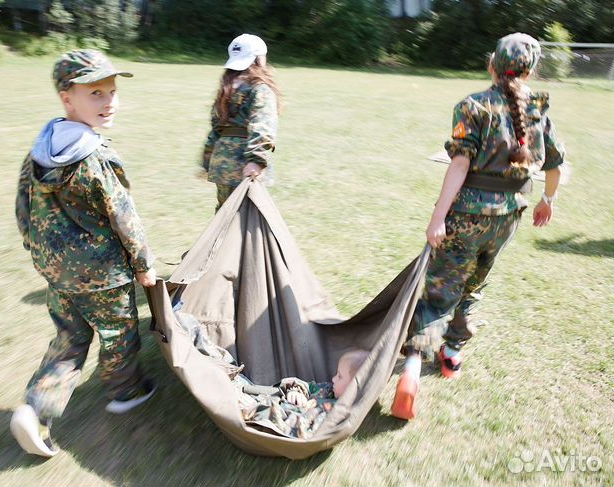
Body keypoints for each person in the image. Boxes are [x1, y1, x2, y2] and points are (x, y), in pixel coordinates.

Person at [391, 33, 566, 420]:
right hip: (508, 217)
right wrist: (548, 200)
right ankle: (452, 355)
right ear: (531, 70)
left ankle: (413, 369)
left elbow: (459, 165)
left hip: (466, 216)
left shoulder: (472, 106)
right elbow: (554, 165)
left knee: (440, 289)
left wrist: (438, 218)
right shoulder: (538, 108)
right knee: (474, 284)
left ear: (492, 66)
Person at [11, 49, 158, 457]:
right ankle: (126, 390)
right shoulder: (95, 156)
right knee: (118, 334)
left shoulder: (39, 151)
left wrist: (37, 253)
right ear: (67, 98)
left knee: (71, 337)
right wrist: (144, 265)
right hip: (104, 274)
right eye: (95, 93)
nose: (108, 101)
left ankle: (35, 408)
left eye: (111, 91)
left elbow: (23, 209)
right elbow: (124, 216)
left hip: (56, 272)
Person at [201, 33, 280, 211]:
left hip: (221, 162)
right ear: (259, 59)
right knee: (248, 220)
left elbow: (216, 128)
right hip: (245, 163)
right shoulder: (260, 89)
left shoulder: (226, 88)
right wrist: (256, 160)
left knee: (225, 216)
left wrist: (208, 159)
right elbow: (263, 125)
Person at [238, 349, 369, 438]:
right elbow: (308, 386)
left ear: (353, 386)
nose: (333, 378)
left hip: (280, 417)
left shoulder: (335, 413)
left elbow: (302, 431)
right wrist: (298, 392)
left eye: (340, 376)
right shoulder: (328, 389)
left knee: (248, 403)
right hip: (279, 399)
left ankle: (246, 407)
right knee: (249, 388)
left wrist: (263, 410)